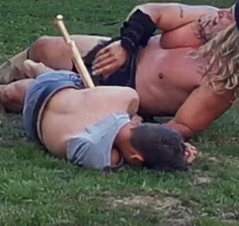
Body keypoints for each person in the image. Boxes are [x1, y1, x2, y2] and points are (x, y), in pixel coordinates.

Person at [0, 0, 239, 139]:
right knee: (45, 46)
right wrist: (127, 45)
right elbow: (150, 11)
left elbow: (183, 126)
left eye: (228, 18)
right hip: (123, 56)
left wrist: (130, 132)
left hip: (116, 95)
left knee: (17, 95)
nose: (219, 14)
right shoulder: (205, 20)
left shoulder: (222, 81)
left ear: (235, 38)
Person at [19, 61, 195, 172]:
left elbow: (131, 114)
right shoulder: (101, 153)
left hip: (57, 82)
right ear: (136, 158)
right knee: (18, 94)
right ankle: (31, 74)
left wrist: (173, 144)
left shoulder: (127, 97)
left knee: (43, 85)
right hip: (33, 121)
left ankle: (35, 68)